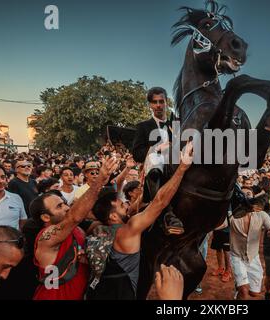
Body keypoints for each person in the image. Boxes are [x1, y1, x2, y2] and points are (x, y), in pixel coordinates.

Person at [84, 142, 193, 300]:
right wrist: (182, 168)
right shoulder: (129, 230)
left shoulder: (97, 228)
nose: (126, 206)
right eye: (122, 206)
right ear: (113, 217)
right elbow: (160, 202)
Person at [32, 157, 118, 300]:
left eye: (64, 203)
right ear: (46, 217)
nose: (66, 207)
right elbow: (74, 217)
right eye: (59, 206)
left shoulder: (77, 230)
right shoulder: (45, 237)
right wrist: (99, 181)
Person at [132, 87, 183, 235]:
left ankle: (236, 196)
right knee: (155, 159)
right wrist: (157, 148)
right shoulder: (143, 126)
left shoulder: (177, 123)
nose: (158, 105)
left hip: (178, 164)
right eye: (155, 102)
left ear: (166, 102)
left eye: (161, 101)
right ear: (150, 105)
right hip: (156, 171)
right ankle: (166, 213)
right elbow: (137, 154)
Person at [229, 194, 270, 300]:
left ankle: (238, 290)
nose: (246, 198)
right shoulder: (231, 216)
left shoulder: (261, 215)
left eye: (248, 195)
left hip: (253, 257)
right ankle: (240, 290)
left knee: (254, 293)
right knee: (244, 290)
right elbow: (219, 224)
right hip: (237, 257)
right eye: (243, 196)